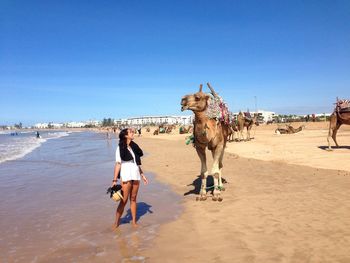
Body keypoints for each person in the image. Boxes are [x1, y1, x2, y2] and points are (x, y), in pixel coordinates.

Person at [112, 128, 148, 228]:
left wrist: (142, 174)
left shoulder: (134, 147)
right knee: (123, 201)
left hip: (135, 174)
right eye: (131, 132)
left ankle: (134, 222)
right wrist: (114, 180)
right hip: (126, 175)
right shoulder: (120, 148)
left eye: (133, 131)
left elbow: (136, 163)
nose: (133, 133)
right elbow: (118, 164)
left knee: (133, 199)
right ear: (126, 135)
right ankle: (116, 223)